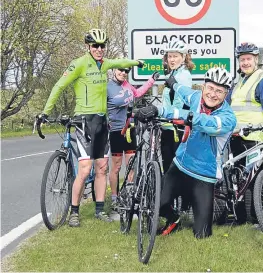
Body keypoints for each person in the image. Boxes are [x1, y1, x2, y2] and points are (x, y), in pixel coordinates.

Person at [37, 29, 144, 227]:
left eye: (102, 46)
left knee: (102, 168)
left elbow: (121, 62)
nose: (99, 49)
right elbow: (59, 86)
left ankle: (99, 210)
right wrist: (45, 111)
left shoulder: (105, 64)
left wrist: (137, 63)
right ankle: (74, 212)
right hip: (85, 120)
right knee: (85, 169)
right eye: (95, 45)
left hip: (103, 122)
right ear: (88, 46)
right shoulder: (78, 64)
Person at [134, 66, 236, 239]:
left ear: (225, 95)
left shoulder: (228, 118)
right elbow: (184, 91)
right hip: (180, 167)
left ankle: (201, 216)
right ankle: (174, 218)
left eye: (219, 91)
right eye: (210, 88)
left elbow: (204, 121)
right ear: (203, 87)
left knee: (202, 235)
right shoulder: (196, 97)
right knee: (158, 204)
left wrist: (161, 110)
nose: (213, 94)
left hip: (204, 175)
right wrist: (173, 84)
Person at [226, 42, 263, 223]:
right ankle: (241, 217)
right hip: (236, 135)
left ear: (256, 60)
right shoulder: (238, 82)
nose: (245, 63)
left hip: (255, 137)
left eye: (248, 59)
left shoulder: (262, 78)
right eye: (242, 59)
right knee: (239, 177)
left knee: (257, 178)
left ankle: (260, 219)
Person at [107, 67, 159, 211]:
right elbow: (113, 103)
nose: (123, 73)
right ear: (114, 70)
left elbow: (138, 93)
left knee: (131, 166)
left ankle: (129, 196)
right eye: (121, 70)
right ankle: (114, 198)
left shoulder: (127, 85)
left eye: (126, 71)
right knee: (116, 167)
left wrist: (151, 80)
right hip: (116, 131)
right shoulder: (108, 87)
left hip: (130, 129)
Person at [160, 39, 193, 174]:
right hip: (167, 126)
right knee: (168, 167)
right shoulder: (173, 74)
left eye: (175, 56)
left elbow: (181, 104)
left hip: (176, 128)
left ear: (183, 57)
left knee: (174, 170)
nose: (172, 60)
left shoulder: (184, 75)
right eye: (169, 56)